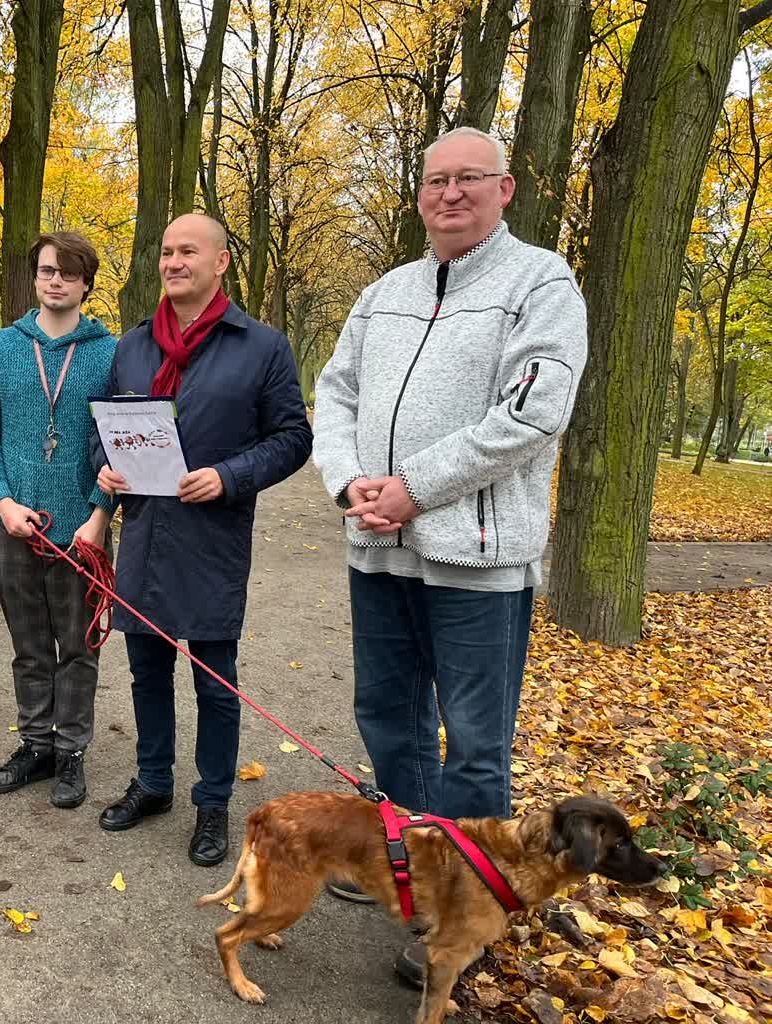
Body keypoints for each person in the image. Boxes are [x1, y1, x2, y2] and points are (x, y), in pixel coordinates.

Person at [312, 126, 588, 985]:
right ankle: (410, 868)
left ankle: (466, 918)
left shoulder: (539, 281)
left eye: (470, 178)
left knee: (472, 744)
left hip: (477, 565)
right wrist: (350, 480)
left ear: (504, 190)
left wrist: (416, 487)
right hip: (380, 554)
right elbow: (336, 389)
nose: (450, 193)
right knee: (388, 721)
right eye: (436, 179)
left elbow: (533, 411)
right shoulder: (386, 289)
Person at [93, 213, 312, 867]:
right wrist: (106, 469)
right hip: (147, 537)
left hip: (212, 538)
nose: (172, 261)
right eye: (165, 251)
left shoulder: (261, 346)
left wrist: (228, 475)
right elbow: (109, 426)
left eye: (187, 250)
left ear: (219, 262)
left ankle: (212, 801)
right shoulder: (132, 347)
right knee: (145, 672)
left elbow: (292, 438)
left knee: (216, 682)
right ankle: (153, 783)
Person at [0, 232, 117, 810]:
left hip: (81, 529)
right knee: (29, 645)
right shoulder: (1, 348)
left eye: (66, 272)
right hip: (11, 525)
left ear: (86, 283)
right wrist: (2, 502)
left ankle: (71, 750)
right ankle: (35, 744)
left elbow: (117, 440)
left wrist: (99, 515)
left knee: (78, 647)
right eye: (45, 270)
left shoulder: (111, 353)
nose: (53, 280)